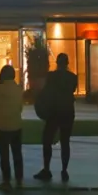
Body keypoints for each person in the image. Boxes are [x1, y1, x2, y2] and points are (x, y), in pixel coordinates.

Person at [34, 53, 78, 182]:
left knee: (47, 140)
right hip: (68, 111)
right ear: (67, 63)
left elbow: (46, 91)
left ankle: (47, 169)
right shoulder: (72, 77)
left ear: (57, 63)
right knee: (65, 142)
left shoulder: (51, 76)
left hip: (54, 111)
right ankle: (64, 170)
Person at [0, 64, 24, 189]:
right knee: (17, 153)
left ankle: (6, 180)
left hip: (1, 125)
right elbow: (20, 107)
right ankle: (19, 179)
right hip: (16, 124)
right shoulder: (18, 89)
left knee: (4, 154)